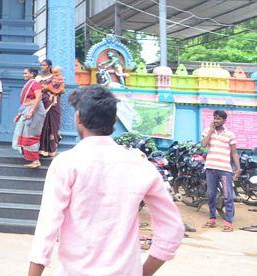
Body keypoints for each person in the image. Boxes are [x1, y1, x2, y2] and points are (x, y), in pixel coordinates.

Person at [28, 86, 184, 276]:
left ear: (78, 118)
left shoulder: (66, 163)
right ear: (113, 121)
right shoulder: (140, 165)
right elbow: (173, 229)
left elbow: (47, 226)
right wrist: (143, 273)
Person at [200, 109, 241, 231]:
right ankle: (212, 219)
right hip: (210, 168)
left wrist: (238, 168)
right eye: (214, 118)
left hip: (224, 169)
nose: (216, 120)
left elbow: (234, 152)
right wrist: (211, 132)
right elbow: (203, 144)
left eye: (218, 118)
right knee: (211, 195)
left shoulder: (230, 134)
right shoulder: (208, 131)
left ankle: (229, 222)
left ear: (224, 120)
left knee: (227, 196)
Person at [13, 67, 45, 168]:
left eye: (26, 73)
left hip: (35, 113)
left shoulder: (35, 83)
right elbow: (26, 102)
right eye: (24, 73)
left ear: (32, 74)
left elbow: (38, 97)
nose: (24, 75)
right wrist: (19, 114)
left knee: (32, 136)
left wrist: (32, 111)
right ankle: (33, 160)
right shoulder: (30, 83)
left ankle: (36, 161)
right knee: (27, 135)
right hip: (28, 111)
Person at [38, 62, 65, 158]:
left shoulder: (58, 78)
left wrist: (48, 88)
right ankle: (42, 149)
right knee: (43, 125)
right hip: (43, 103)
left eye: (44, 65)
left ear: (49, 67)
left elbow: (62, 90)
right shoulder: (39, 78)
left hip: (53, 104)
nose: (42, 67)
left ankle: (52, 149)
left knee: (54, 125)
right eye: (41, 65)